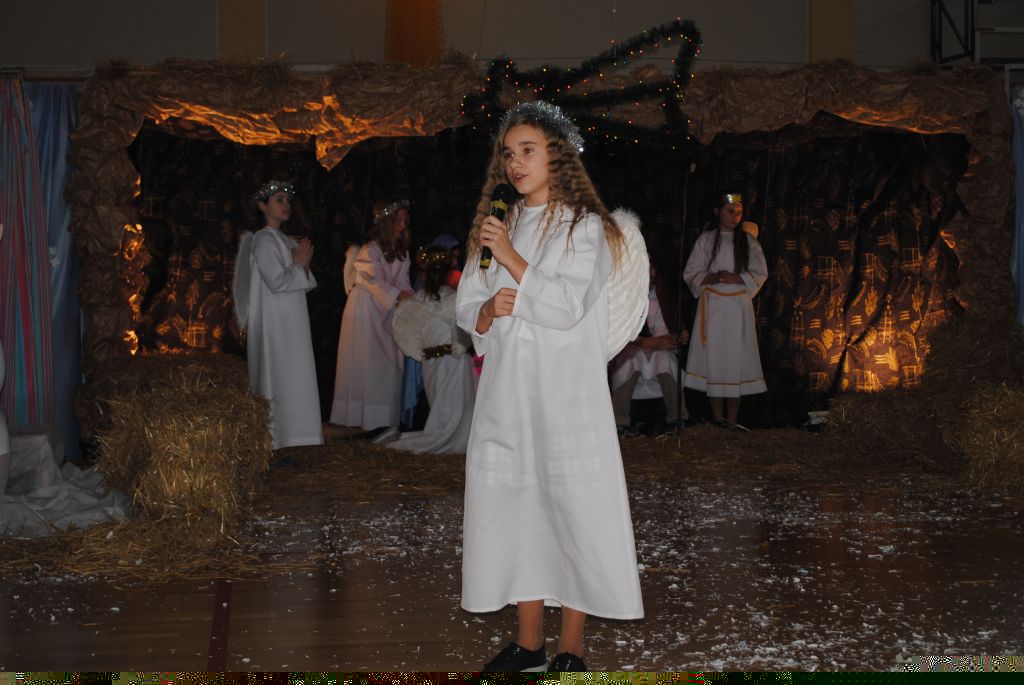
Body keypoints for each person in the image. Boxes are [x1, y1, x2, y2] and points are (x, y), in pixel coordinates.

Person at [456, 101, 644, 673]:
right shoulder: (499, 224)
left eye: (528, 150)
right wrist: (483, 311)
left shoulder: (586, 227)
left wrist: (511, 258)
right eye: (508, 154)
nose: (515, 163)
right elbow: (468, 301)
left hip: (567, 396)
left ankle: (571, 647)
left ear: (557, 156)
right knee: (517, 507)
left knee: (572, 509)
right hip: (508, 393)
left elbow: (566, 306)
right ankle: (530, 643)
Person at [233, 180, 324, 450]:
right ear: (263, 206)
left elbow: (303, 281)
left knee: (293, 376)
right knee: (277, 375)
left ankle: (295, 435)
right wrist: (299, 266)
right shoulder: (262, 240)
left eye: (288, 200)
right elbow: (276, 281)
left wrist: (302, 267)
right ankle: (275, 438)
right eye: (279, 200)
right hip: (274, 323)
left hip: (291, 321)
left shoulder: (286, 240)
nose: (286, 205)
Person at [682, 193, 768, 429]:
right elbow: (690, 272)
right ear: (717, 212)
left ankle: (732, 419)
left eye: (739, 212)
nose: (735, 216)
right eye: (730, 211)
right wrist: (709, 277)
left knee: (735, 359)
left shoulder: (748, 242)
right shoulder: (706, 240)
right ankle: (718, 418)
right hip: (713, 308)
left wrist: (737, 278)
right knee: (715, 358)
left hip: (738, 309)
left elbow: (760, 272)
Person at [379, 245, 475, 453]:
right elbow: (464, 333)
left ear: (422, 274)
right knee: (452, 413)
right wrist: (461, 347)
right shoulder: (453, 300)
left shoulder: (416, 302)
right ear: (448, 273)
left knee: (445, 410)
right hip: (454, 363)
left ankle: (440, 436)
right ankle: (444, 439)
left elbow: (407, 333)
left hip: (432, 365)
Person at [330, 200, 414, 431]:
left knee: (388, 364)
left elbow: (402, 282)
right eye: (398, 221)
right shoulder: (372, 249)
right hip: (366, 307)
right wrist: (399, 295)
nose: (402, 225)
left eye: (405, 221)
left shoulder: (401, 252)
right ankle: (360, 418)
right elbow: (371, 279)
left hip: (387, 308)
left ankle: (383, 420)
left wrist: (411, 300)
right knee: (367, 361)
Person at [609, 259, 690, 435]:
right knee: (631, 360)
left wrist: (674, 338)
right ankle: (619, 420)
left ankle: (678, 418)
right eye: (646, 278)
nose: (650, 283)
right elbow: (619, 331)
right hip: (630, 348)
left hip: (655, 351)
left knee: (665, 359)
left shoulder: (660, 298)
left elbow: (662, 330)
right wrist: (645, 343)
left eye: (653, 279)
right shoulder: (624, 297)